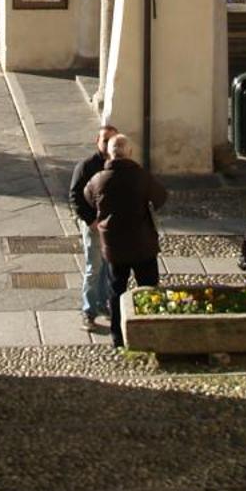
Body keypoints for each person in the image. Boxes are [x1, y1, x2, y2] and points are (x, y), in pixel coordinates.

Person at [82, 133, 167, 348]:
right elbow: (160, 197)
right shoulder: (141, 176)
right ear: (129, 152)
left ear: (110, 153)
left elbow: (88, 197)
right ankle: (149, 331)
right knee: (148, 288)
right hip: (142, 242)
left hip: (114, 245)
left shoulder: (99, 179)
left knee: (116, 291)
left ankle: (118, 336)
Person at [69, 124, 115, 329]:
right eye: (104, 140)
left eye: (111, 140)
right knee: (94, 267)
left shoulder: (117, 165)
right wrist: (90, 220)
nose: (107, 144)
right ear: (97, 141)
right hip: (95, 224)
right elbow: (75, 195)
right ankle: (88, 311)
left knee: (108, 267)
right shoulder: (87, 166)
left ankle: (104, 304)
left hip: (111, 225)